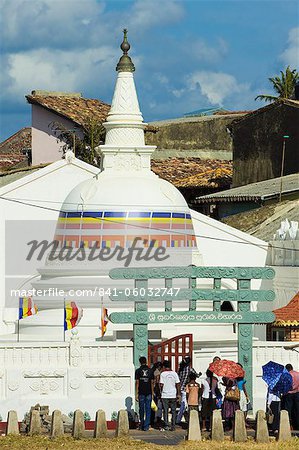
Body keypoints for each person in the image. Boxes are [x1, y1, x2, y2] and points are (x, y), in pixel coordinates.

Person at [176, 356, 200, 424]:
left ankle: (181, 419)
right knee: (184, 405)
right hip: (186, 388)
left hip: (180, 387)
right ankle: (179, 420)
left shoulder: (180, 369)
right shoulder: (189, 368)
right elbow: (196, 375)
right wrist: (199, 374)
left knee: (183, 405)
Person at [160, 360, 181, 431]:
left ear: (164, 366)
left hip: (165, 394)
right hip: (173, 394)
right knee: (173, 411)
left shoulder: (162, 374)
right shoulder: (174, 374)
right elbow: (178, 384)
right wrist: (178, 393)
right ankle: (173, 425)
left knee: (165, 410)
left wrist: (161, 392)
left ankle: (166, 425)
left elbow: (161, 384)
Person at [135, 356, 154, 431]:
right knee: (148, 409)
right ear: (146, 361)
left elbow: (137, 382)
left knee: (141, 409)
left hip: (141, 392)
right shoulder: (150, 370)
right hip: (148, 391)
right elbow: (152, 382)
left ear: (140, 362)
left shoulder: (138, 371)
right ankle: (146, 426)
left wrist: (136, 393)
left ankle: (142, 424)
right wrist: (152, 393)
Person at [284, 364, 299, 431]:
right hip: (297, 393)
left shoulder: (287, 375)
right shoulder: (298, 374)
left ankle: (289, 425)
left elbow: (286, 385)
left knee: (288, 410)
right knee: (297, 409)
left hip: (289, 394)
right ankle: (297, 425)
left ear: (287, 369)